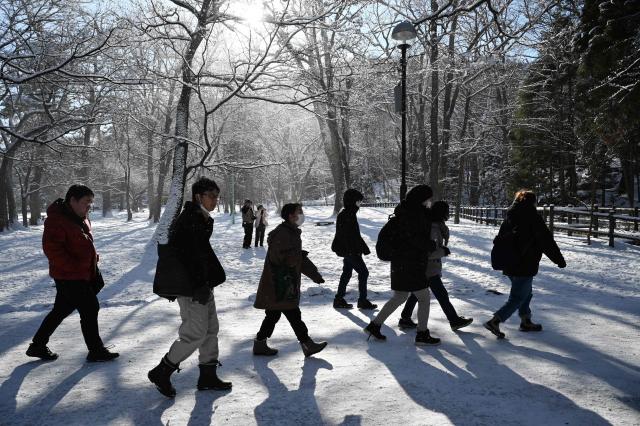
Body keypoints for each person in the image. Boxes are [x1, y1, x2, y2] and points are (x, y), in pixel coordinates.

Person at [148, 177, 231, 398]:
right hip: (192, 288)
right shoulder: (189, 220)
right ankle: (162, 371)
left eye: (217, 196)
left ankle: (208, 375)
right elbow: (185, 258)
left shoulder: (202, 218)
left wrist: (207, 282)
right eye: (211, 196)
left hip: (203, 285)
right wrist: (198, 286)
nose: (215, 200)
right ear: (198, 197)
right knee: (194, 333)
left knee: (211, 329)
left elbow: (201, 256)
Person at [26, 184, 119, 362]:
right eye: (86, 202)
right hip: (69, 276)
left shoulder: (80, 217)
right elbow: (53, 251)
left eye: (91, 202)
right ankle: (96, 350)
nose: (89, 206)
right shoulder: (57, 220)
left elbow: (81, 243)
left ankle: (37, 345)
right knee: (90, 308)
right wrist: (76, 266)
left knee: (60, 310)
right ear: (73, 200)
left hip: (81, 274)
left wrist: (92, 258)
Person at [364, 185, 441, 346]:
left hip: (400, 263)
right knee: (424, 298)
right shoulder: (414, 215)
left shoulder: (406, 211)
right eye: (428, 199)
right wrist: (431, 245)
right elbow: (414, 239)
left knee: (399, 296)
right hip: (410, 264)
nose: (429, 202)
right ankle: (422, 334)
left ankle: (374, 325)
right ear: (421, 199)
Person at [484, 189, 566, 339]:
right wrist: (559, 260)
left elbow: (501, 239)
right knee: (518, 296)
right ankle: (495, 321)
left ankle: (525, 320)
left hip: (508, 262)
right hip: (525, 263)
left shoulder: (510, 215)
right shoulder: (533, 217)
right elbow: (546, 241)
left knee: (525, 293)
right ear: (533, 202)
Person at [252, 203, 328, 358]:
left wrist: (315, 274)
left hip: (284, 283)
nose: (301, 215)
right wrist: (296, 257)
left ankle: (260, 343)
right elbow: (280, 258)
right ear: (290, 216)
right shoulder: (282, 234)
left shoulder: (291, 232)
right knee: (293, 314)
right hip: (280, 284)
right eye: (299, 212)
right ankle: (307, 344)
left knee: (273, 315)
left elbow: (297, 258)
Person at [398, 201, 473, 331]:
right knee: (441, 295)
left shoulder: (434, 225)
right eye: (447, 211)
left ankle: (405, 318)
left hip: (427, 267)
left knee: (417, 293)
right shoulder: (434, 228)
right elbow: (426, 252)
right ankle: (454, 320)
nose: (448, 214)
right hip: (428, 267)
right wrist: (443, 251)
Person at [331, 189, 377, 310]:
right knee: (363, 273)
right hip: (351, 251)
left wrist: (363, 247)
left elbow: (354, 235)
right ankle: (362, 300)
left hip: (350, 251)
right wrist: (354, 251)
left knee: (347, 273)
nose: (359, 204)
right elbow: (347, 236)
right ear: (352, 201)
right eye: (358, 201)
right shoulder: (346, 215)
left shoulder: (348, 214)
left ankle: (339, 299)